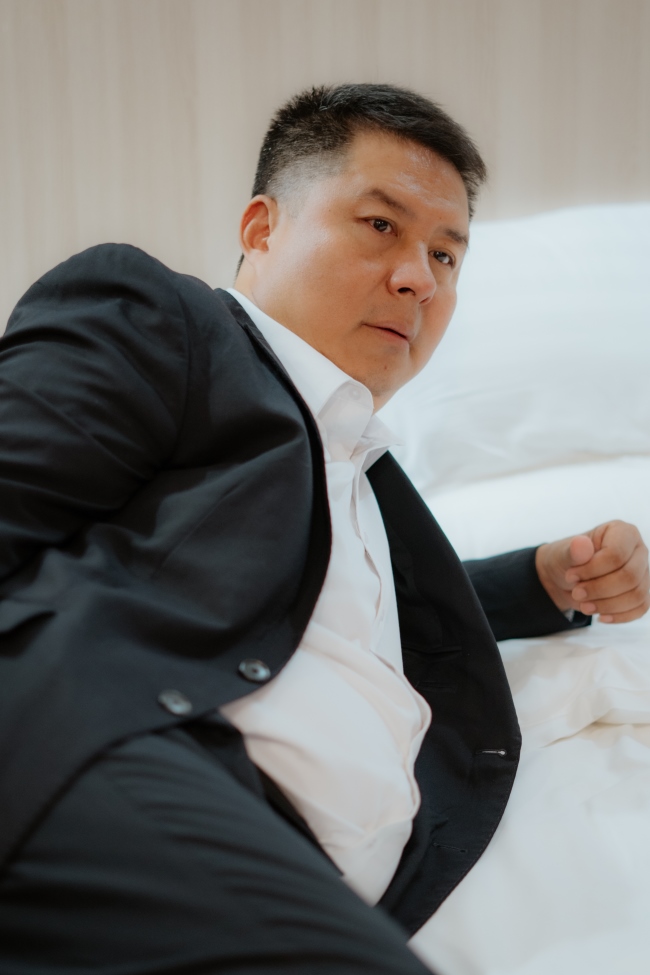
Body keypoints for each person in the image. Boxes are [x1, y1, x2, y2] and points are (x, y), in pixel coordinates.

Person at [0, 83, 647, 974]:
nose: (420, 277)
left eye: (447, 254)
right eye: (381, 225)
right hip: (121, 772)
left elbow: (329, 598)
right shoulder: (163, 321)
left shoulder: (363, 475)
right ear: (262, 228)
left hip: (298, 874)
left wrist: (545, 580)